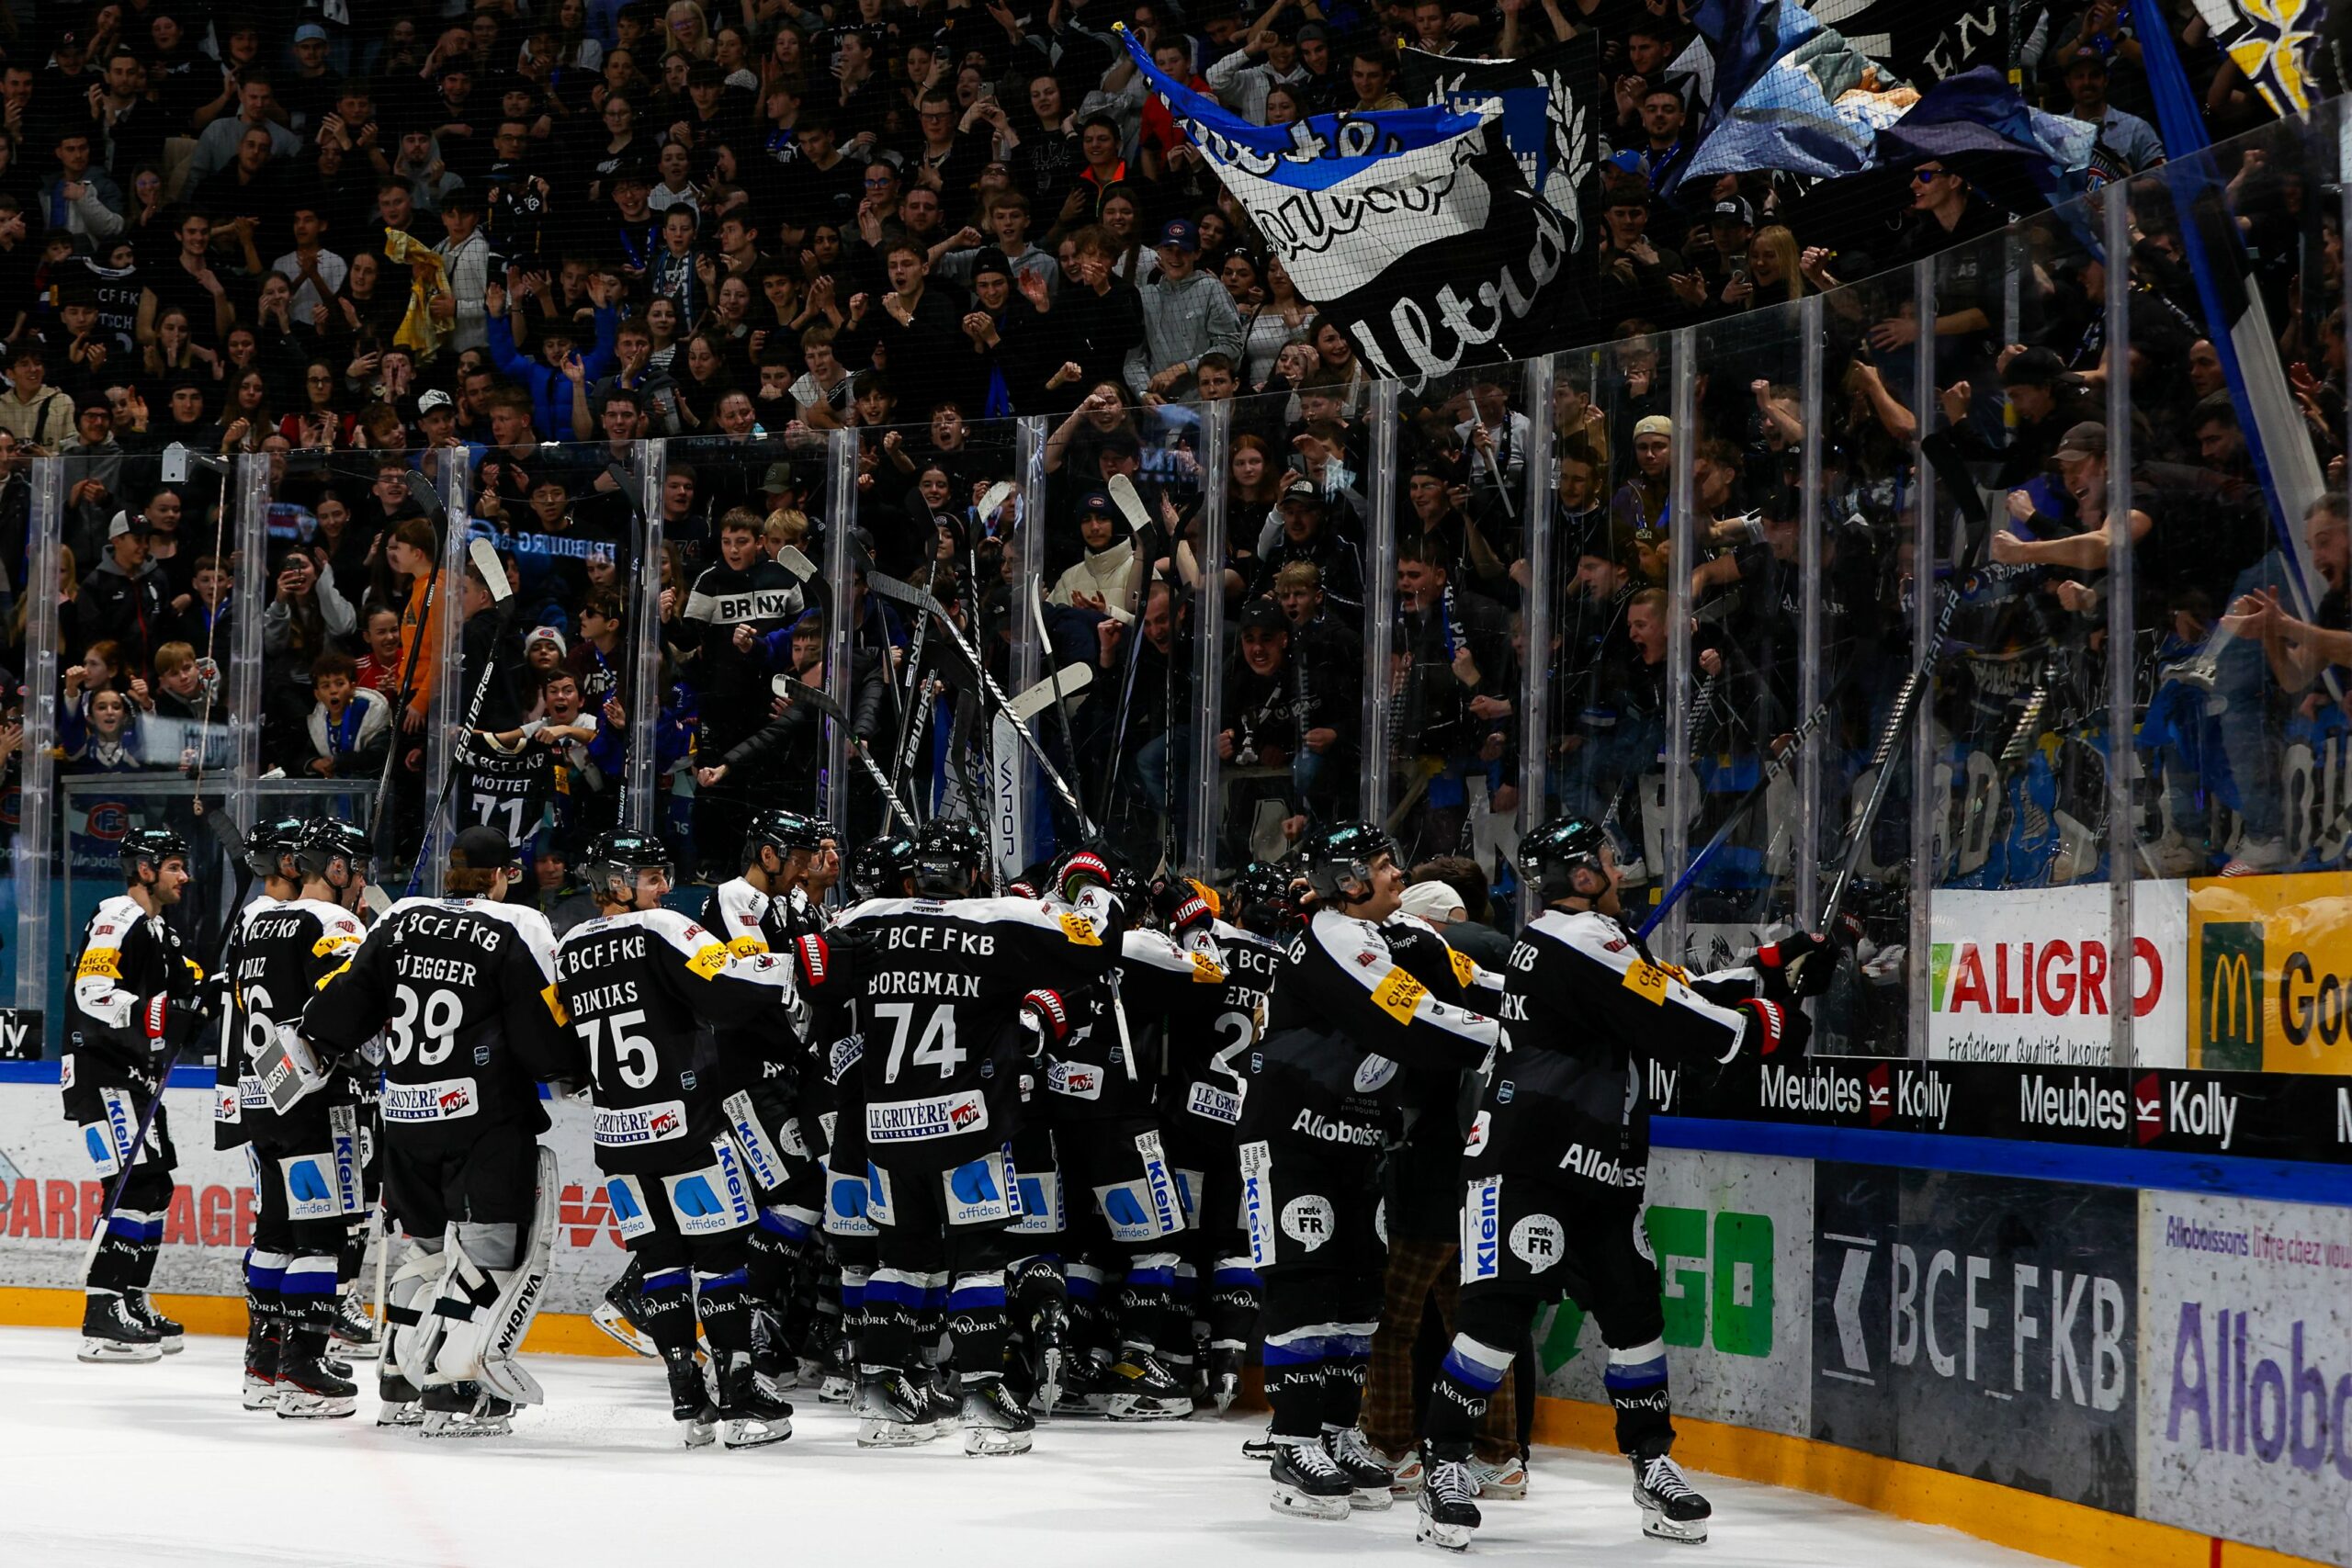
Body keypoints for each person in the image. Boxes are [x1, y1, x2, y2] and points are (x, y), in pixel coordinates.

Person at [1414, 817, 1833, 1551]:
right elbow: (1672, 1016)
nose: (1622, 867)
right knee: (1494, 1322)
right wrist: (1772, 1023)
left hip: (1600, 1168)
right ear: (1582, 875)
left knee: (1634, 1316)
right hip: (1530, 1166)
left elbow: (1668, 985)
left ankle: (1651, 1458)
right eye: (1610, 858)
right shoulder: (1581, 942)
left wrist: (1770, 964)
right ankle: (1443, 1460)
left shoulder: (1583, 941)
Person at [830, 822, 1129, 1455]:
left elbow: (810, 971)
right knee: (980, 1260)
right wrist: (1094, 882)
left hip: (885, 1124)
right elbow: (1097, 944)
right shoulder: (999, 920)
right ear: (971, 872)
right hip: (965, 1125)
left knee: (901, 1259)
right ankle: (983, 1396)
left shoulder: (866, 917)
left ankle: (882, 1397)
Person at [1239, 822, 1499, 1521]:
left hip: (1356, 1142)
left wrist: (1557, 998)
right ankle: (1295, 1439)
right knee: (1304, 1284)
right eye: (1382, 865)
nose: (1396, 874)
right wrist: (1512, 1040)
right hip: (1289, 1142)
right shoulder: (1334, 936)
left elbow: (1488, 984)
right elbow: (1411, 1018)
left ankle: (1335, 1430)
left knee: (1358, 1292)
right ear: (1348, 882)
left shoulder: (1406, 938)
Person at [300, 826, 578, 1437]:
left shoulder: (400, 916)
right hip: (480, 1118)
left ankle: (400, 1382)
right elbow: (542, 1024)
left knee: (424, 1251)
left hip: (402, 1117)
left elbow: (342, 1005)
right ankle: (460, 1389)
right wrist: (570, 1069)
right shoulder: (519, 924)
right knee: (487, 1251)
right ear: (504, 872)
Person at [557, 829, 813, 1449]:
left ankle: (686, 1392)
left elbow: (563, 1058)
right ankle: (740, 1388)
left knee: (663, 1261)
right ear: (616, 882)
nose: (665, 886)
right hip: (688, 1129)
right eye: (650, 876)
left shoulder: (567, 949)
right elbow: (726, 993)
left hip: (617, 1136)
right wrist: (796, 963)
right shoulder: (663, 928)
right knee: (722, 1258)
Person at [220, 817, 369, 1417]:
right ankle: (302, 1371)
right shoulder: (332, 921)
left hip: (262, 1091)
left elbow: (240, 999)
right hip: (313, 1094)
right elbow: (345, 1000)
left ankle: (264, 1364)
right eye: (357, 870)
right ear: (335, 868)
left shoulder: (257, 923)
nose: (361, 882)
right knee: (322, 1234)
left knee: (277, 1229)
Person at [66, 825, 211, 1363]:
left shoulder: (161, 933)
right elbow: (92, 991)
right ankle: (102, 1312)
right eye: (174, 866)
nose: (185, 876)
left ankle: (129, 1296)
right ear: (145, 869)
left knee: (154, 1186)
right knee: (130, 1186)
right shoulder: (115, 917)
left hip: (135, 1073)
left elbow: (189, 986)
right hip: (100, 1070)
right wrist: (164, 1014)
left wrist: (208, 993)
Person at [700, 807, 835, 1381]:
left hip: (789, 1072)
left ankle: (768, 1318)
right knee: (797, 1190)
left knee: (803, 1192)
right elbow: (749, 980)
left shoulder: (795, 902)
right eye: (799, 856)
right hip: (744, 1079)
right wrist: (809, 961)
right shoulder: (729, 899)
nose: (807, 866)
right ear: (768, 854)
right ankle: (746, 1315)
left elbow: (826, 965)